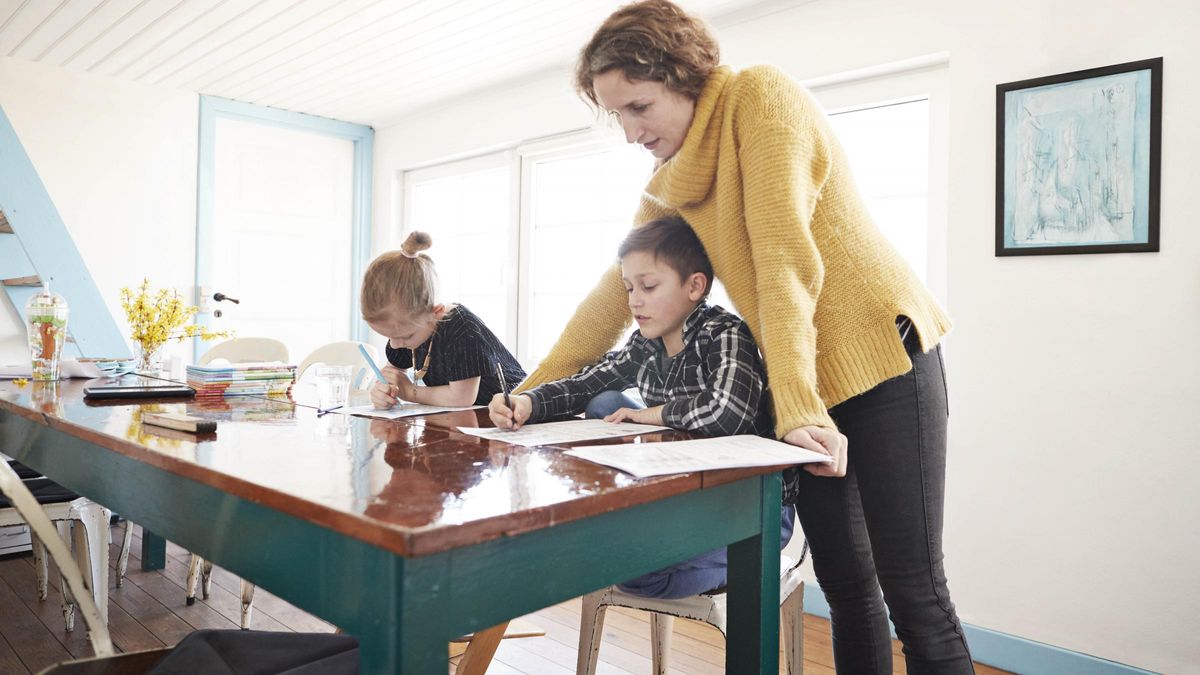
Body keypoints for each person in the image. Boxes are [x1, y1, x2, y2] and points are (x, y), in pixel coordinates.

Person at [517, 1, 973, 672]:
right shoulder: (672, 180)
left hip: (885, 360)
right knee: (845, 589)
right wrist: (527, 397)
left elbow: (784, 258)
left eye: (639, 107)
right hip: (808, 386)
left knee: (915, 592)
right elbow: (610, 294)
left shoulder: (760, 97)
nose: (629, 131)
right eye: (617, 115)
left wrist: (794, 408)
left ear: (683, 74)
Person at [490, 214, 798, 599]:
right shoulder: (646, 343)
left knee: (635, 573)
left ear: (695, 286)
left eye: (648, 286)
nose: (635, 300)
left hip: (751, 509)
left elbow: (727, 413)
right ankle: (634, 533)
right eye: (628, 287)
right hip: (688, 500)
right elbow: (586, 383)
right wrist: (527, 403)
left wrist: (654, 413)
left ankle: (751, 561)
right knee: (605, 401)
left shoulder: (726, 334)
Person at [361, 231, 525, 408]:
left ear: (436, 312)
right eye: (389, 336)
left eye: (405, 336)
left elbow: (461, 398)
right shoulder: (407, 330)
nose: (394, 345)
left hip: (514, 411)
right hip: (467, 420)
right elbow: (393, 375)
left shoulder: (463, 330)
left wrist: (408, 391)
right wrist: (384, 391)